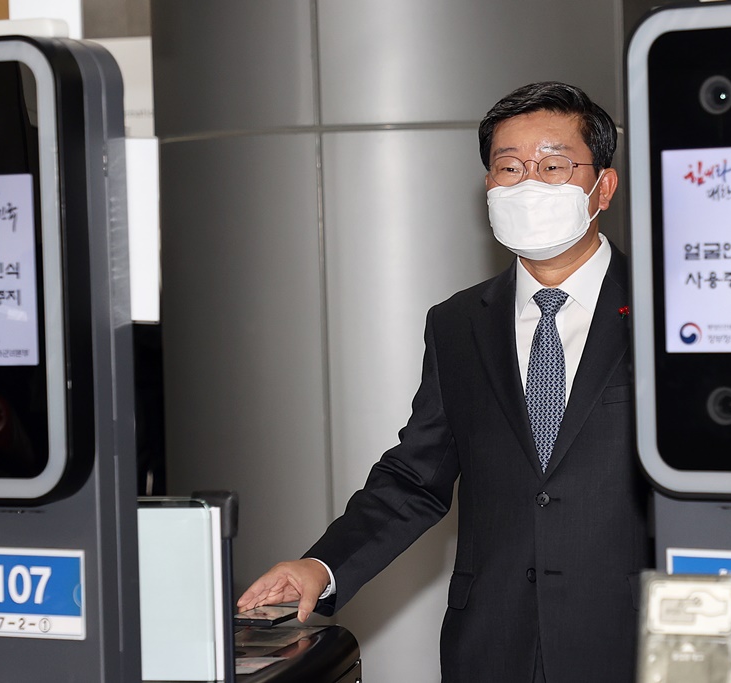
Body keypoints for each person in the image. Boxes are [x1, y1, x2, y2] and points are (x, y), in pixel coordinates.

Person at [238, 81, 652, 683]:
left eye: (553, 166)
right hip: (491, 645)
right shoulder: (458, 323)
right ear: (487, 186)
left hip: (631, 642)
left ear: (602, 187)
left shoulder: (668, 313)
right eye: (508, 167)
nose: (528, 183)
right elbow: (416, 478)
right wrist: (321, 566)